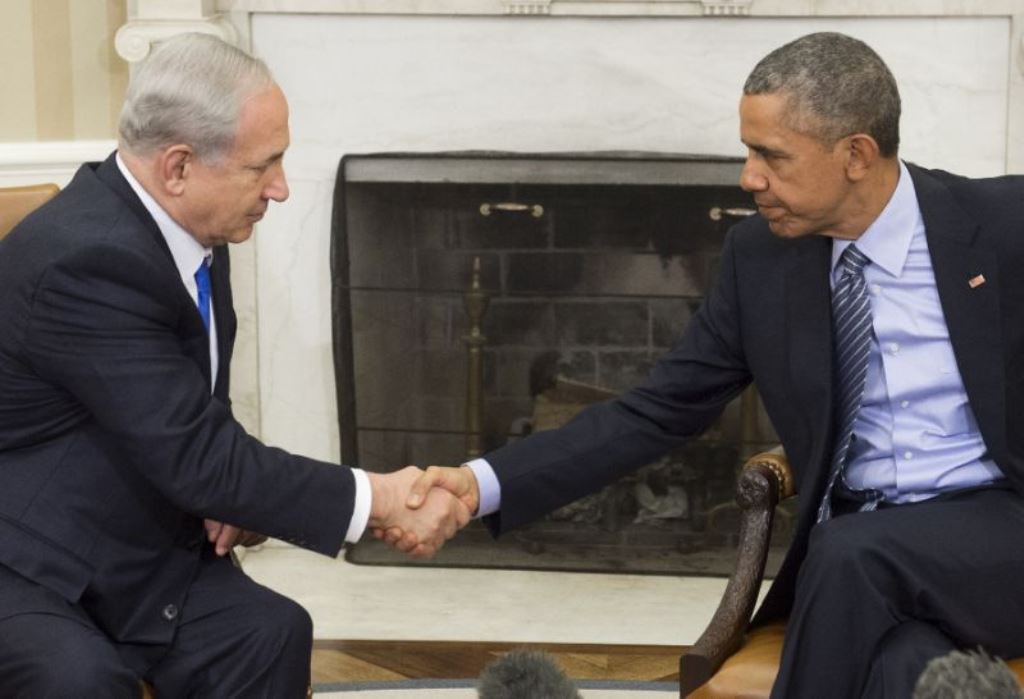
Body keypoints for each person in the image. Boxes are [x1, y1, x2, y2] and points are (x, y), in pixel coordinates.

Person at [393, 32, 1024, 697]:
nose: (749, 178)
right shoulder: (761, 259)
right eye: (748, 151)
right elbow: (655, 410)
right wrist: (479, 482)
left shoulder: (1004, 226)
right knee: (905, 665)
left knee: (846, 553)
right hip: (872, 563)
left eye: (771, 156)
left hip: (998, 534)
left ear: (857, 155)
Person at [0, 33, 468, 697]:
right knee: (80, 679)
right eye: (263, 165)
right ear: (178, 167)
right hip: (27, 557)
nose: (279, 188)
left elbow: (189, 426)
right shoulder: (89, 261)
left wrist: (230, 495)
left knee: (270, 632)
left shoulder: (192, 232)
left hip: (133, 537)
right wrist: (382, 498)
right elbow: (199, 456)